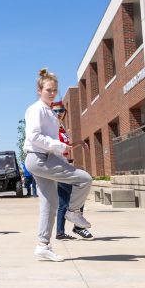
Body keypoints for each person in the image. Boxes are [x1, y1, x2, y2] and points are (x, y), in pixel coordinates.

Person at [24, 69, 93, 262]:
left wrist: (59, 151)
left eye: (55, 90)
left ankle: (43, 246)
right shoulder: (37, 109)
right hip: (39, 158)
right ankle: (73, 212)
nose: (52, 93)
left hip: (43, 158)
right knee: (84, 179)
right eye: (48, 90)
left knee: (50, 203)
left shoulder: (48, 111)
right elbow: (33, 136)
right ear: (39, 90)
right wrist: (60, 146)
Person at [52, 100, 95, 241]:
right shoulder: (51, 127)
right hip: (58, 166)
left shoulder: (61, 127)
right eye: (55, 111)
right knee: (79, 191)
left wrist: (80, 143)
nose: (59, 113)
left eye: (61, 110)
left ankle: (60, 232)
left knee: (65, 201)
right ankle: (78, 227)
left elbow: (65, 146)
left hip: (63, 164)